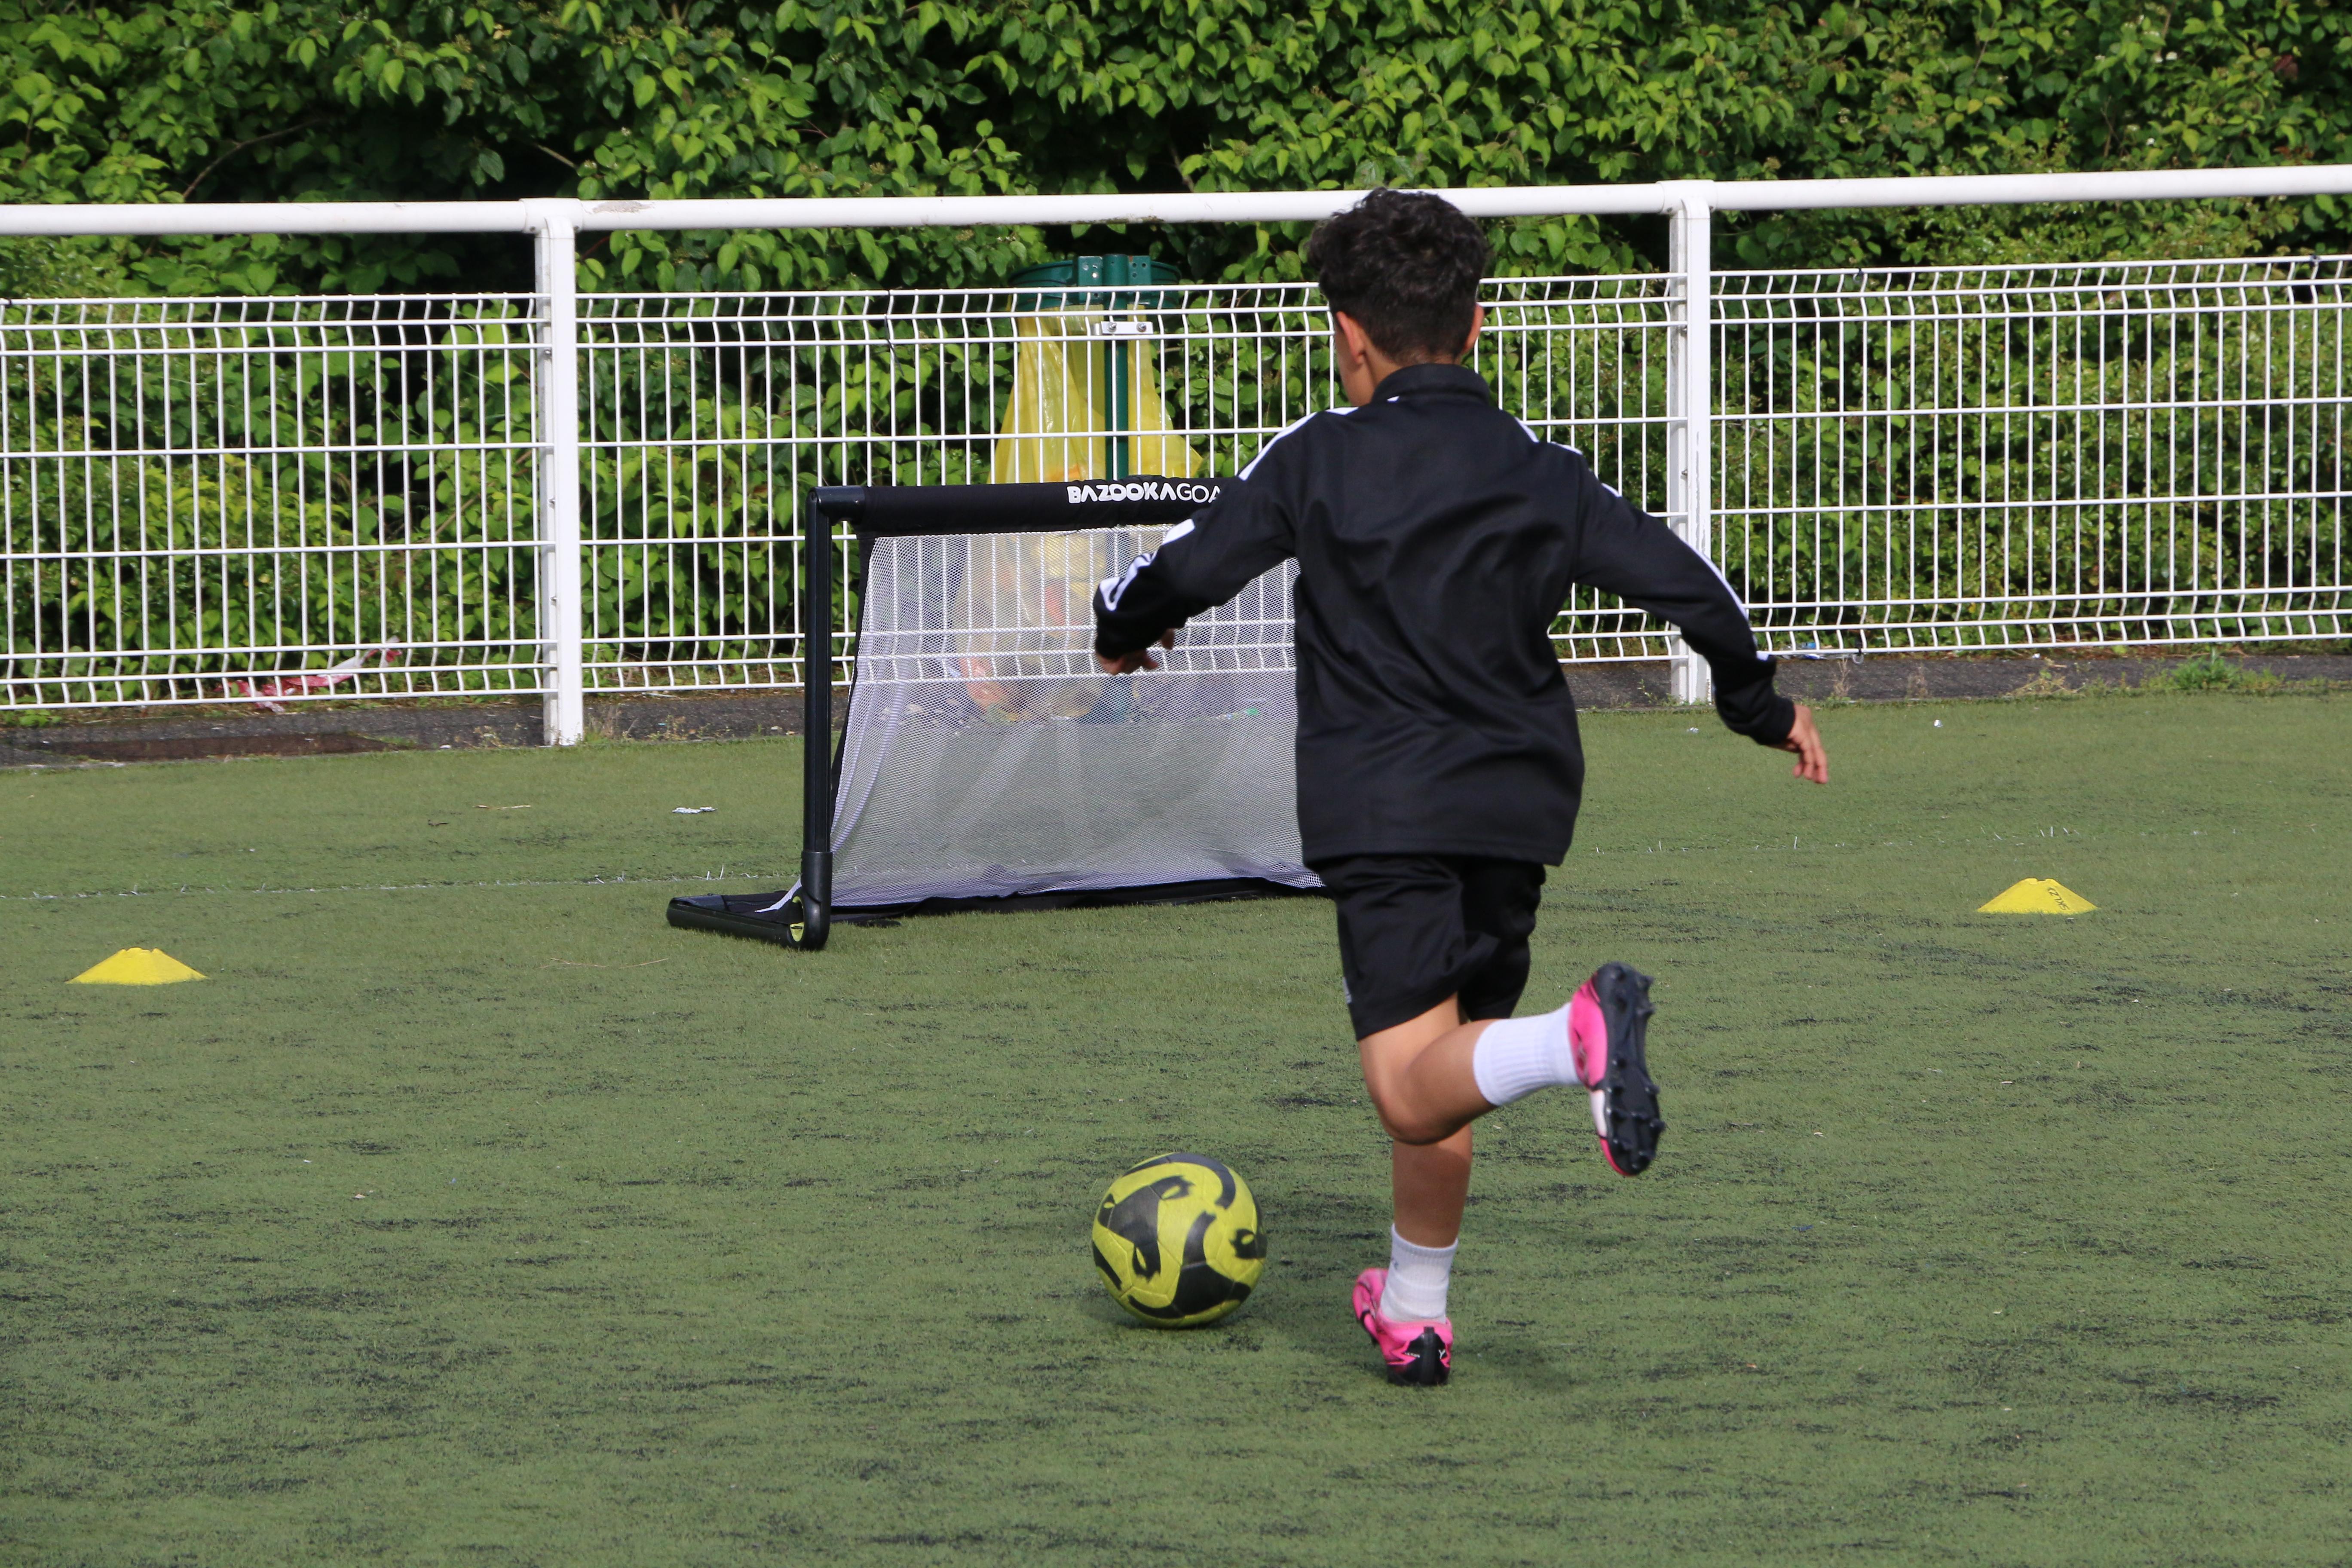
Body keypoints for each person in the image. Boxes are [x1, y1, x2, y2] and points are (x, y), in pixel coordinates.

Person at [1091, 190, 1831, 1386]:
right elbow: (1688, 583)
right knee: (1446, 1070)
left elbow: (1190, 565)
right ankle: (1417, 1307)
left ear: (1347, 335)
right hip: (1519, 808)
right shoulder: (1542, 471)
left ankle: (1574, 1041)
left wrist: (1121, 632)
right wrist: (1759, 705)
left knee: (1406, 1081)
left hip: (1384, 809)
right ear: (1477, 326)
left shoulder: (1318, 455)